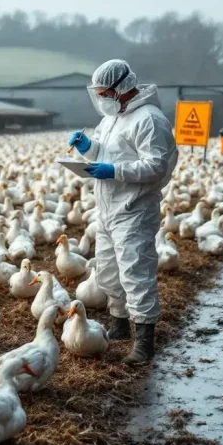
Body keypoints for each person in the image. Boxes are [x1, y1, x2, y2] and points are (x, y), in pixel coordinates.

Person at [68, 59, 177, 364]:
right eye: (99, 93)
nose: (101, 98)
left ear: (122, 88)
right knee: (107, 270)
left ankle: (144, 340)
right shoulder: (111, 119)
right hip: (107, 208)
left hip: (134, 209)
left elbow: (157, 165)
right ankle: (119, 323)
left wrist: (114, 170)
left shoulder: (149, 119)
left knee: (135, 272)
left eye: (105, 93)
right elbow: (103, 153)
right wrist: (88, 148)